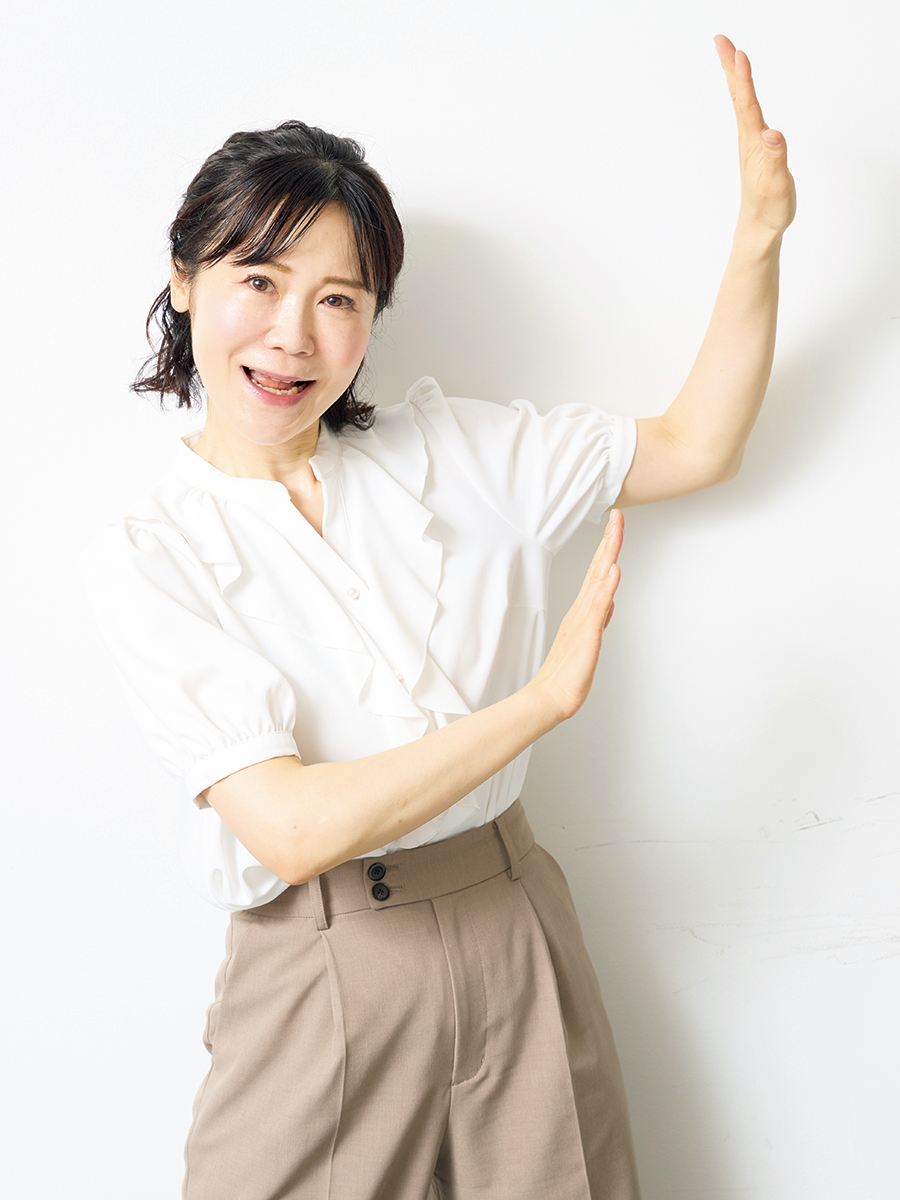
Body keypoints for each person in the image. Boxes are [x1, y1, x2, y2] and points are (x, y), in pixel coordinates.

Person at [81, 35, 795, 1200]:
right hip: (318, 963)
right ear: (185, 278)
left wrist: (760, 234)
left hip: (511, 919)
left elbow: (697, 442)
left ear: (372, 317)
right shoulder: (153, 553)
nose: (292, 334)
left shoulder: (460, 451)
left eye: (338, 299)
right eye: (258, 281)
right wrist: (538, 705)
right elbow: (292, 829)